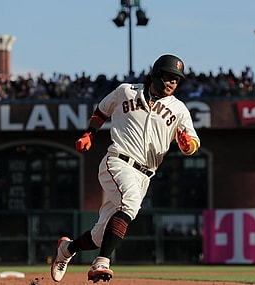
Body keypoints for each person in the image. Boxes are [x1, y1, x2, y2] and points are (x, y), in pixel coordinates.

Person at [50, 54, 200, 283]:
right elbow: (101, 111)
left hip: (145, 176)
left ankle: (67, 249)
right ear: (156, 74)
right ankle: (101, 262)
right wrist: (89, 133)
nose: (172, 83)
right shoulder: (125, 91)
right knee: (129, 203)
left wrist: (187, 145)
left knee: (101, 235)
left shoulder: (179, 109)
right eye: (169, 77)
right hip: (118, 160)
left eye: (176, 80)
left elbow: (193, 143)